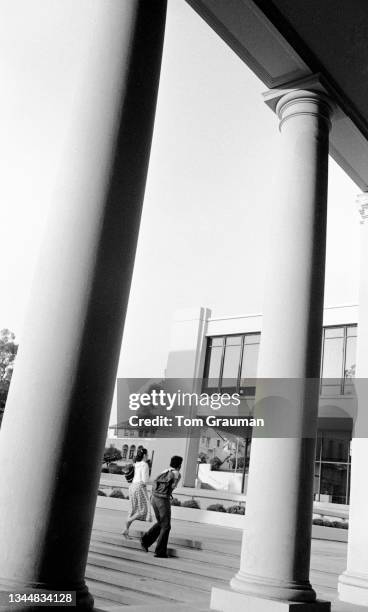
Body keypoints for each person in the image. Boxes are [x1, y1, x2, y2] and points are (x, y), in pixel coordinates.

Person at [140, 455, 182, 558]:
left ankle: (145, 540)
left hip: (153, 498)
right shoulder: (176, 473)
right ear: (180, 465)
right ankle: (160, 551)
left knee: (161, 522)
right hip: (163, 500)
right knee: (166, 526)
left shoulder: (164, 471)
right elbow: (172, 486)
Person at [122, 447, 150, 538]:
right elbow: (145, 481)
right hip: (139, 487)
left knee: (133, 509)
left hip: (132, 487)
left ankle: (126, 529)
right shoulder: (145, 465)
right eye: (147, 454)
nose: (148, 456)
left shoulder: (136, 464)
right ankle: (129, 520)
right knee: (142, 510)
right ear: (145, 455)